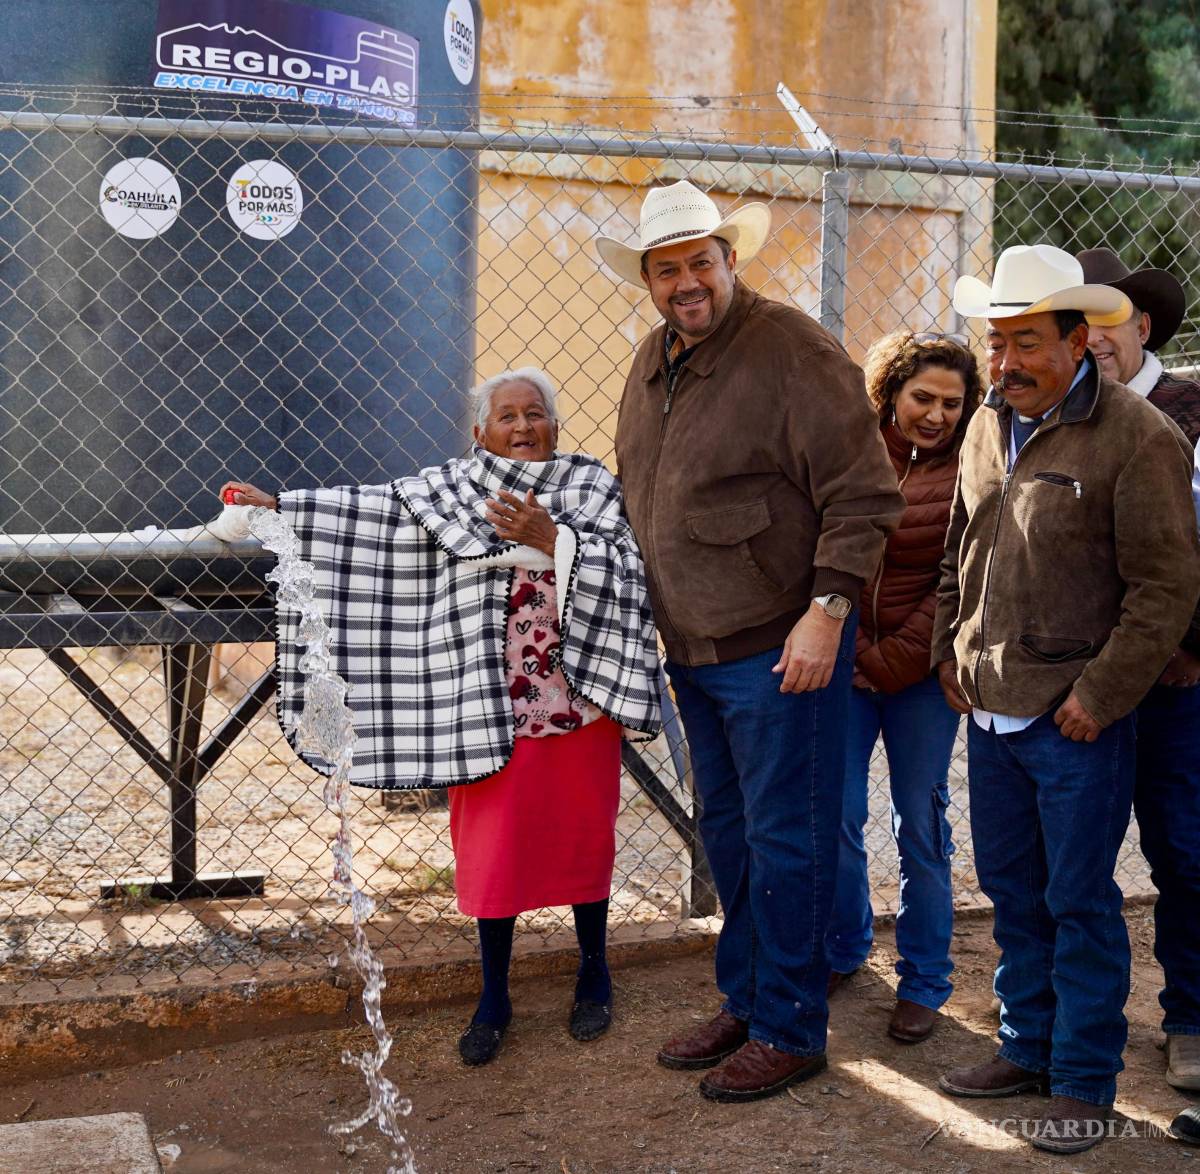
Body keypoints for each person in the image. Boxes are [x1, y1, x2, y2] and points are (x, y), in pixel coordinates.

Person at [220, 367, 662, 1067]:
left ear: (555, 425)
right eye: (507, 416)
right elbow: (369, 514)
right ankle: (494, 995)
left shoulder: (590, 485)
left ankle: (593, 971)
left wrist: (557, 540)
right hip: (481, 706)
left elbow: (629, 567)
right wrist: (283, 507)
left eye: (536, 414)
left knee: (584, 842)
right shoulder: (449, 490)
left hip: (576, 707)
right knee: (493, 856)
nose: (523, 427)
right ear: (480, 433)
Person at [597, 180, 905, 1102]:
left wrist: (829, 611)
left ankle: (791, 1028)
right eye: (668, 269)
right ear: (649, 282)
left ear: (731, 261)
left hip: (781, 647)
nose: (687, 281)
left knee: (788, 840)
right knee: (729, 837)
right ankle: (750, 997)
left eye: (701, 261)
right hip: (693, 651)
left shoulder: (790, 348)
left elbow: (864, 492)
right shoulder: (657, 358)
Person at [932, 244, 1200, 1153]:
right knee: (1012, 890)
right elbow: (957, 553)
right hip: (992, 708)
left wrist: (1101, 695)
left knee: (1079, 899)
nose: (1007, 362)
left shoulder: (1137, 435)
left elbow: (1166, 588)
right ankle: (1025, 1045)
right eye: (996, 341)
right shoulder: (981, 425)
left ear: (1080, 340)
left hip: (1074, 721)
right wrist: (950, 653)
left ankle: (1084, 1080)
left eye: (1027, 343)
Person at [826, 331, 982, 1043]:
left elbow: (959, 578)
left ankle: (924, 979)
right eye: (923, 397)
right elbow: (825, 552)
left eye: (953, 402)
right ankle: (845, 947)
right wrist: (855, 645)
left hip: (922, 675)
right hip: (844, 661)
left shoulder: (973, 468)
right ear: (890, 392)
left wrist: (897, 657)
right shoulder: (851, 451)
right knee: (838, 814)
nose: (937, 415)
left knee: (920, 822)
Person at [1076, 248, 1200, 1093]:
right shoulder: (1047, 410)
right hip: (1073, 681)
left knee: (1186, 851)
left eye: (1105, 320)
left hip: (1173, 679)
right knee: (1072, 860)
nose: (1090, 339)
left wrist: (1192, 645)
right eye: (1071, 322)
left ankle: (1190, 1020)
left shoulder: (1191, 408)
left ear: (1142, 325)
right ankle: (1066, 1027)